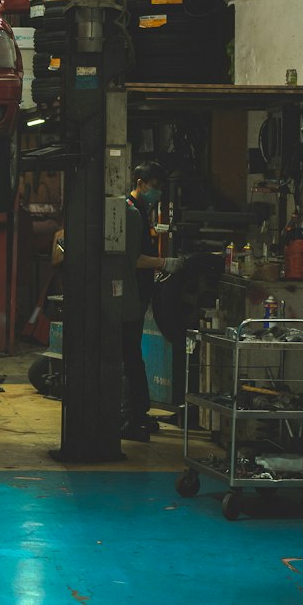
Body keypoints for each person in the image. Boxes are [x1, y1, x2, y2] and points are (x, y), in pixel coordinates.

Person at [121, 161, 183, 443]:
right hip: (130, 297)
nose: (156, 192)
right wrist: (164, 263)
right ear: (139, 182)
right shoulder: (130, 213)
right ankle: (133, 415)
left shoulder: (141, 211)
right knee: (130, 356)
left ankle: (138, 413)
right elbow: (133, 259)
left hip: (138, 294)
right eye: (153, 186)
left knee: (133, 356)